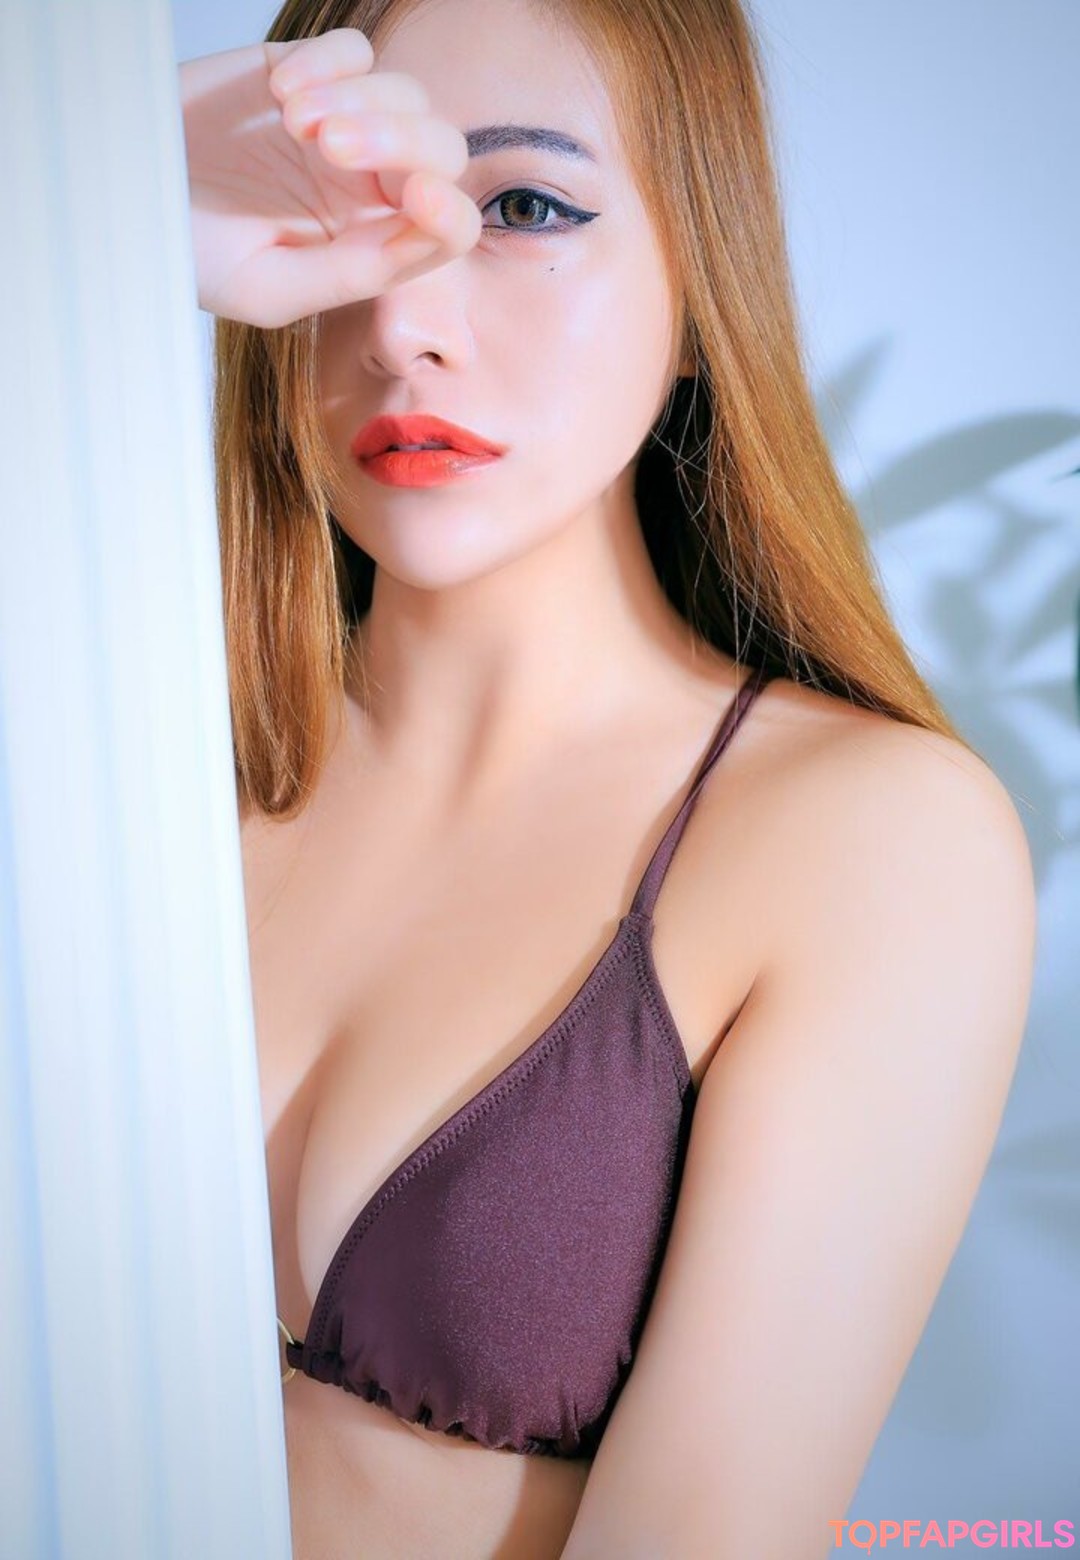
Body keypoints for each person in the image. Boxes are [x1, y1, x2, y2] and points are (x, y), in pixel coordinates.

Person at [180, 2, 1037, 1556]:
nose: (401, 322)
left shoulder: (865, 843)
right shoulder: (128, 765)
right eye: (343, 209)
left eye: (523, 207)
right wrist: (95, 213)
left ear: (702, 280)